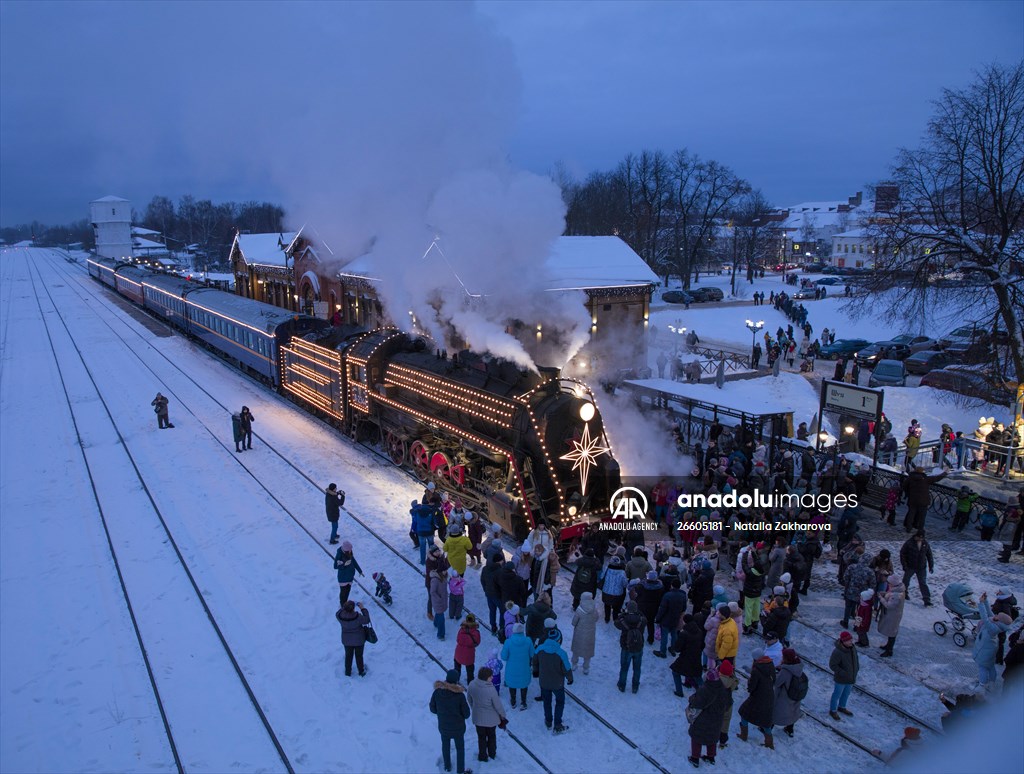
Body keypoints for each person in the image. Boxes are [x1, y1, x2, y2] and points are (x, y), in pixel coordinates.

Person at [429, 669, 471, 774]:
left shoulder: (437, 692)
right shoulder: (460, 696)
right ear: (456, 681)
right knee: (460, 748)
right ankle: (460, 770)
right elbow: (467, 714)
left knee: (445, 746)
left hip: (443, 727)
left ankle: (447, 767)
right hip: (458, 729)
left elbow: (432, 709)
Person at [687, 666, 729, 767]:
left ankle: (695, 758)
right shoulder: (722, 688)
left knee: (697, 737)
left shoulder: (706, 690)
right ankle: (711, 757)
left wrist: (691, 698)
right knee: (712, 737)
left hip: (704, 719)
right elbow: (727, 703)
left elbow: (697, 703)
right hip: (717, 719)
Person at [533, 627, 573, 733]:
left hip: (544, 682)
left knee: (547, 701)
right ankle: (557, 723)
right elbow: (567, 668)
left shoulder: (540, 649)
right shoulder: (561, 653)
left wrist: (536, 671)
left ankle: (548, 720)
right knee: (560, 702)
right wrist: (570, 679)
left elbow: (534, 661)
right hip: (557, 684)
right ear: (558, 640)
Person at [467, 666, 507, 764]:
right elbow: (497, 705)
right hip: (491, 720)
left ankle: (482, 756)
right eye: (490, 676)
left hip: (478, 718)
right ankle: (492, 754)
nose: (492, 678)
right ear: (486, 678)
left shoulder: (472, 684)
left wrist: (474, 708)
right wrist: (503, 715)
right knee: (491, 736)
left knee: (481, 737)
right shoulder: (491, 689)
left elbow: (469, 699)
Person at [738, 648, 776, 749]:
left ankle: (743, 735)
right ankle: (769, 743)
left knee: (743, 712)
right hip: (769, 696)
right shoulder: (770, 664)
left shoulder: (756, 670)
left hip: (757, 697)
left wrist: (750, 682)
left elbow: (751, 687)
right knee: (766, 720)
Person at [974, 592, 1012, 690]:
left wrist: (981, 603)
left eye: (997, 616)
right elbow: (990, 613)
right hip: (990, 649)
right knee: (990, 666)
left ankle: (982, 685)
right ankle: (992, 683)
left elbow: (985, 618)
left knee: (982, 667)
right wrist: (985, 601)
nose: (995, 615)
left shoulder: (993, 628)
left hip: (985, 650)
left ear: (999, 620)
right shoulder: (997, 623)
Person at [902, 464, 948, 532]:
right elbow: (937, 478)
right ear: (922, 472)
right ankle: (920, 529)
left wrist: (908, 493)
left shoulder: (910, 478)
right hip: (923, 500)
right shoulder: (926, 479)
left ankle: (909, 528)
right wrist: (945, 473)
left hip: (912, 499)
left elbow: (904, 487)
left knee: (911, 514)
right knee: (922, 516)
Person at [500, 623, 534, 710]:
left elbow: (503, 656)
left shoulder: (508, 642)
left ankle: (513, 701)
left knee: (512, 684)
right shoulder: (528, 641)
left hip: (512, 669)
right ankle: (523, 702)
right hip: (524, 668)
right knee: (523, 684)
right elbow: (532, 654)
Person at [615, 600, 647, 693]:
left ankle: (622, 685)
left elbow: (616, 623)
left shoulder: (623, 619)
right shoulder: (642, 620)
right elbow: (645, 618)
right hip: (638, 647)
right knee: (637, 668)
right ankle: (635, 686)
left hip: (626, 647)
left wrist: (622, 614)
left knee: (624, 667)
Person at [773, 648, 804, 737]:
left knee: (775, 712)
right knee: (793, 712)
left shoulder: (786, 671)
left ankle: (766, 728)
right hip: (795, 695)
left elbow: (777, 682)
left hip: (784, 696)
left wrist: (778, 672)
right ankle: (790, 730)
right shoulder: (798, 667)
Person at [672, 614, 705, 696]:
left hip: (685, 657)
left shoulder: (684, 634)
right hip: (696, 657)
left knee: (675, 672)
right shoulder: (699, 631)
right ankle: (704, 691)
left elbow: (677, 648)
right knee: (696, 675)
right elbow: (702, 645)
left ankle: (679, 691)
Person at [828, 631, 859, 720]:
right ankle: (833, 710)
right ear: (843, 641)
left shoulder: (852, 648)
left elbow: (855, 659)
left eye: (851, 640)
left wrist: (856, 669)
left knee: (846, 694)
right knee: (837, 694)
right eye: (848, 640)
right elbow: (832, 665)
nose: (851, 642)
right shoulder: (837, 652)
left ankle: (842, 707)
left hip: (851, 677)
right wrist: (842, 673)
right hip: (841, 679)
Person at [899, 530, 934, 607]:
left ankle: (926, 599)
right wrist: (905, 565)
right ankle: (904, 593)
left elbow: (929, 554)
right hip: (910, 566)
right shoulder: (909, 543)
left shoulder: (925, 543)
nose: (920, 539)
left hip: (921, 567)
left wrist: (931, 566)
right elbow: (902, 554)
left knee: (923, 583)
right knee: (906, 581)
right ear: (916, 536)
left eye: (922, 538)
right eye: (919, 537)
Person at [335, 600, 370, 677]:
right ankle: (361, 671)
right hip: (359, 640)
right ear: (353, 609)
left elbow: (337, 612)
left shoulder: (339, 616)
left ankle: (348, 672)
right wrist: (362, 608)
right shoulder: (358, 617)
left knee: (348, 656)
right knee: (359, 656)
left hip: (346, 640)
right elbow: (367, 620)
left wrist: (344, 607)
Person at [655, 578, 688, 657]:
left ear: (672, 586)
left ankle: (663, 652)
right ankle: (673, 649)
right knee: (674, 634)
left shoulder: (667, 595)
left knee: (664, 636)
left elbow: (662, 609)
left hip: (666, 619)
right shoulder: (683, 596)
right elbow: (684, 608)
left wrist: (658, 618)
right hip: (676, 618)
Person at [570, 592, 598, 675]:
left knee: (576, 650)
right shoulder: (594, 609)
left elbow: (574, 622)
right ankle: (586, 668)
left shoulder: (579, 609)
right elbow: (596, 618)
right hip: (590, 634)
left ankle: (574, 664)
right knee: (588, 652)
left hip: (579, 633)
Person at [876, 578, 906, 657]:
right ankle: (888, 646)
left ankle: (889, 650)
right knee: (891, 632)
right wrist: (885, 594)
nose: (888, 584)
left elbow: (889, 605)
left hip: (892, 616)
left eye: (889, 583)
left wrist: (881, 598)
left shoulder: (896, 595)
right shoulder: (898, 590)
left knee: (892, 632)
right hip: (893, 615)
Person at [480, 554, 505, 636]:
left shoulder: (485, 568)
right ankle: (502, 628)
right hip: (498, 596)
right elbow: (502, 585)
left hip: (489, 594)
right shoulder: (500, 571)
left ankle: (493, 627)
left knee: (492, 611)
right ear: (499, 561)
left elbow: (482, 580)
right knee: (502, 612)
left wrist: (485, 590)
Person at [334, 540, 363, 606]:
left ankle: (345, 603)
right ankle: (342, 605)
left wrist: (360, 570)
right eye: (350, 549)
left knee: (347, 591)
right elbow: (335, 566)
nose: (351, 550)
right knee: (343, 592)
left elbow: (354, 561)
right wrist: (344, 565)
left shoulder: (349, 553)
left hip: (350, 577)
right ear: (346, 550)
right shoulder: (339, 555)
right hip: (343, 578)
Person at [454, 614, 481, 684]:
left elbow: (457, 639)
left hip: (458, 653)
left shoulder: (461, 629)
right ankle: (470, 682)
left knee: (457, 668)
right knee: (470, 669)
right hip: (469, 654)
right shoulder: (476, 632)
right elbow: (477, 642)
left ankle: (456, 679)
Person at [600, 555, 628, 623]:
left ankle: (607, 618)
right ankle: (615, 618)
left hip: (606, 591)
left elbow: (601, 577)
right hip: (618, 593)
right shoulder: (622, 572)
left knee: (607, 605)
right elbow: (625, 584)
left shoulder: (607, 569)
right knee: (616, 607)